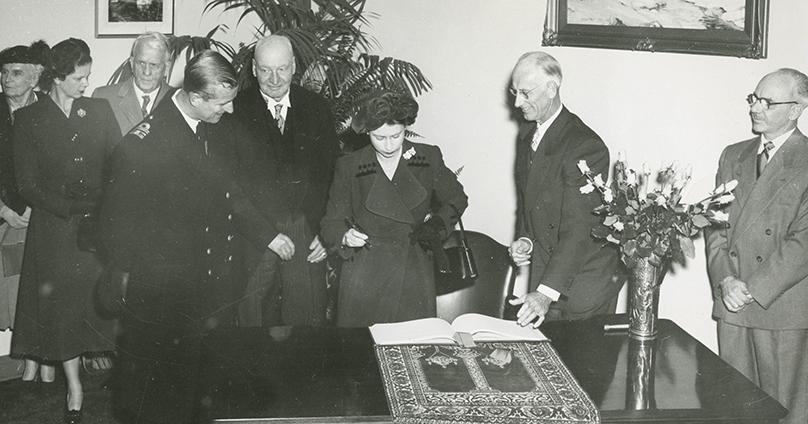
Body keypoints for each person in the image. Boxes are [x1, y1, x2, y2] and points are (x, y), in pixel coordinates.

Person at [98, 50, 289, 424]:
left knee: (199, 386)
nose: (230, 111)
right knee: (159, 392)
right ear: (197, 97)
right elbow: (115, 225)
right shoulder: (141, 145)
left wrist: (267, 235)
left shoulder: (209, 126)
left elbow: (226, 188)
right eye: (223, 103)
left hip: (207, 284)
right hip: (162, 292)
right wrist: (134, 273)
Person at [10, 37, 118, 423]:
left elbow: (119, 164)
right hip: (54, 229)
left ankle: (111, 377)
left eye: (87, 78)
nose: (85, 85)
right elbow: (27, 185)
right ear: (55, 77)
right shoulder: (29, 120)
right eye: (78, 79)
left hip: (95, 228)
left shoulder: (100, 110)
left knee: (100, 301)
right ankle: (74, 385)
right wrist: (73, 208)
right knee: (62, 312)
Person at [705, 68, 808, 424]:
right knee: (734, 408)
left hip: (779, 308)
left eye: (768, 102)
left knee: (784, 413)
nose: (756, 108)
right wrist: (726, 281)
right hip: (732, 304)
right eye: (754, 98)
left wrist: (752, 288)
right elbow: (715, 227)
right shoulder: (733, 155)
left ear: (796, 109)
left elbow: (803, 243)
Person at [320, 90, 468, 327]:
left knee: (412, 350)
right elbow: (330, 223)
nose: (388, 145)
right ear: (367, 131)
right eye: (379, 137)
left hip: (413, 270)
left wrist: (437, 226)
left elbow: (457, 199)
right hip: (365, 272)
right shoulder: (349, 166)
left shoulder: (428, 157)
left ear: (405, 128)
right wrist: (345, 237)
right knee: (363, 353)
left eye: (396, 135)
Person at [506, 51, 622, 326]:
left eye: (525, 93)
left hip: (583, 286)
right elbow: (530, 202)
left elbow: (580, 227)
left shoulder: (585, 146)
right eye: (514, 92)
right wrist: (525, 238)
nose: (517, 102)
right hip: (549, 274)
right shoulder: (527, 135)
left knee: (579, 366)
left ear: (551, 88)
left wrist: (545, 294)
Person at [232, 34, 339, 327]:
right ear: (254, 69)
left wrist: (326, 232)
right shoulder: (234, 111)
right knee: (249, 321)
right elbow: (229, 186)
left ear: (294, 66)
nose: (275, 78)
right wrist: (266, 235)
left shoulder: (316, 108)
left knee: (307, 323)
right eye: (266, 70)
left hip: (306, 228)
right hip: (254, 233)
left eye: (282, 68)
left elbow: (334, 175)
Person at [0, 41, 46, 383]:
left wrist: (36, 205)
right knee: (14, 289)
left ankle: (42, 358)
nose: (6, 79)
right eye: (3, 72)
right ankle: (28, 357)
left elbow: (57, 165)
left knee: (41, 286)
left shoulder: (48, 109)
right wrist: (3, 209)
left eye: (16, 72)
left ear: (36, 76)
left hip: (40, 213)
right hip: (4, 216)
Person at [92, 32, 173, 135]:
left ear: (167, 67)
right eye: (141, 63)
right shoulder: (103, 97)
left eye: (153, 65)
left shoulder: (179, 100)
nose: (146, 72)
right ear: (131, 63)